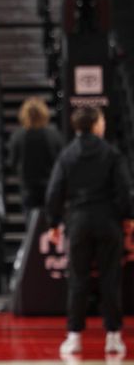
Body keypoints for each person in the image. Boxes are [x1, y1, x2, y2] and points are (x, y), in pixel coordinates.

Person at [45, 106, 132, 357]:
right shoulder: (112, 153)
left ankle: (74, 338)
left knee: (78, 280)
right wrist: (128, 217)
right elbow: (124, 190)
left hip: (79, 222)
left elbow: (54, 192)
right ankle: (113, 337)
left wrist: (53, 223)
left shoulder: (67, 155)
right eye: (102, 120)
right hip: (108, 222)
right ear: (95, 124)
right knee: (110, 279)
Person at [7, 97, 63, 222]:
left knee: (32, 225)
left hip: (29, 187)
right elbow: (61, 162)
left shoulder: (18, 136)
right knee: (51, 223)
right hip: (50, 186)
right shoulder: (53, 135)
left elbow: (12, 163)